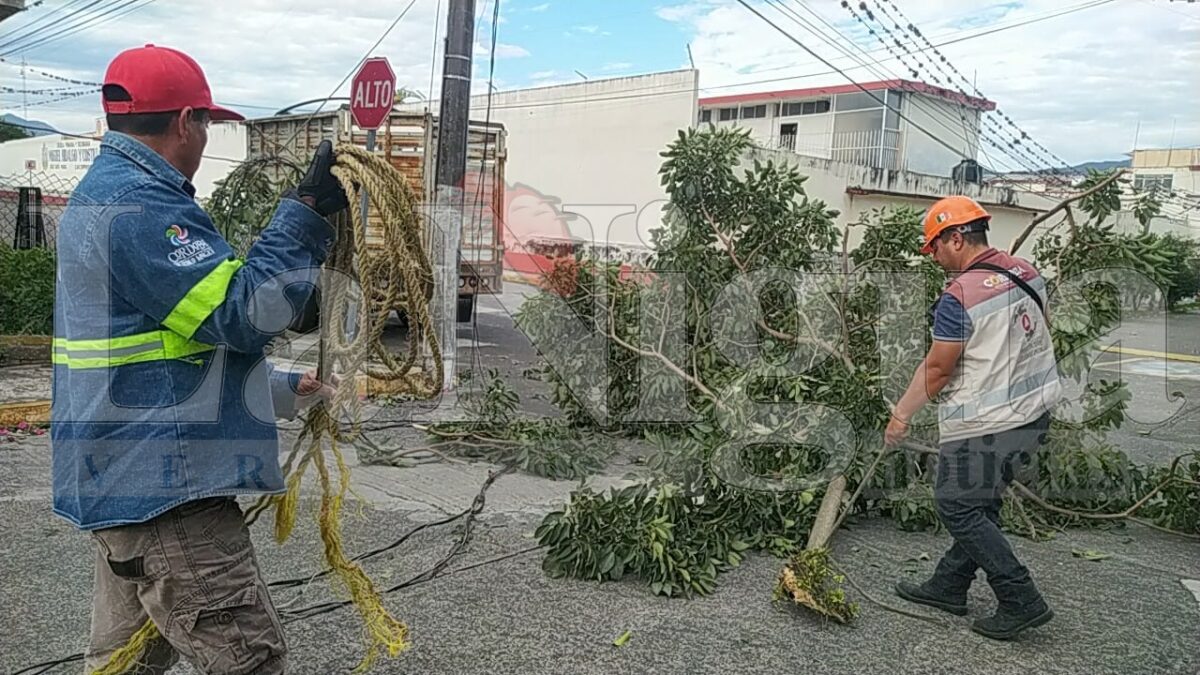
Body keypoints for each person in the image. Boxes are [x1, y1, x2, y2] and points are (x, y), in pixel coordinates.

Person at [51, 45, 349, 673]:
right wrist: (305, 215)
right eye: (208, 123)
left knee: (122, 664)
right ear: (185, 121)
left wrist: (277, 385)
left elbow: (159, 352)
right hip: (168, 497)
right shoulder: (142, 207)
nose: (207, 136)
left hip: (128, 485)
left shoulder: (104, 199)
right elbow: (243, 313)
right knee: (247, 659)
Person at [884, 195, 1062, 640]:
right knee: (980, 504)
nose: (935, 257)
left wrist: (901, 416)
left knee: (957, 505)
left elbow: (938, 369)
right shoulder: (1026, 272)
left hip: (988, 421)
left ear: (956, 238)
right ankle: (949, 585)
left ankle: (1020, 597)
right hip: (1036, 412)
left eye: (935, 248)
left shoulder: (958, 296)